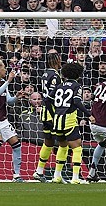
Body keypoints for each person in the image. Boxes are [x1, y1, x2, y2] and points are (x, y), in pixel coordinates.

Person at [48, 62, 93, 184]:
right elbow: (77, 102)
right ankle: (75, 177)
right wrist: (89, 115)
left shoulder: (59, 86)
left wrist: (54, 114)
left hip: (57, 120)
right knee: (77, 147)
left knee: (63, 146)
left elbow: (47, 100)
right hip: (69, 119)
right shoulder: (77, 86)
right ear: (78, 74)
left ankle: (57, 176)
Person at [32, 52, 62, 183]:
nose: (61, 61)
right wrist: (55, 114)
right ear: (55, 61)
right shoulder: (55, 76)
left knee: (48, 142)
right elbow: (52, 97)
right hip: (52, 112)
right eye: (59, 59)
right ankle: (58, 175)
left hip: (44, 111)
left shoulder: (45, 74)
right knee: (63, 142)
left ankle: (39, 171)